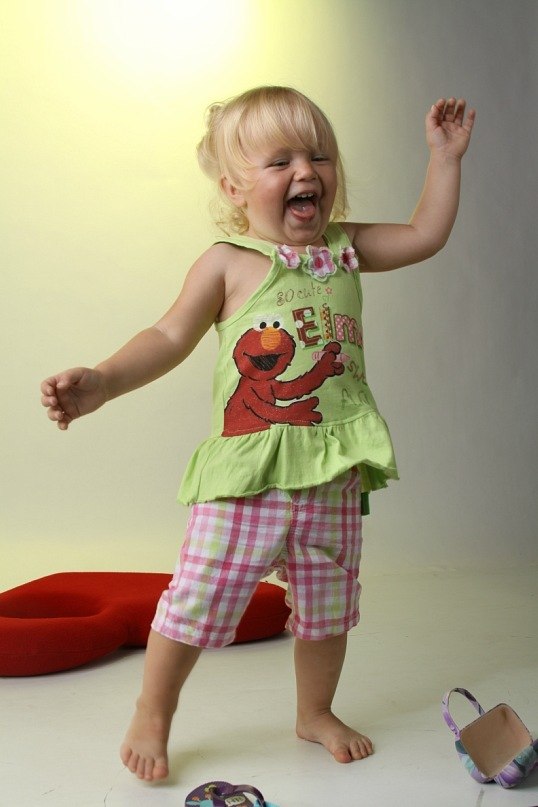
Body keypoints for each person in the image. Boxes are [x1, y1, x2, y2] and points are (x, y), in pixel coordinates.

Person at [40, 86, 475, 781]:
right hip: (250, 472)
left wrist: (444, 159)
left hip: (331, 465)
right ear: (234, 189)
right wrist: (104, 381)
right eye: (280, 162)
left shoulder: (344, 247)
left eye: (320, 156)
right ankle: (153, 710)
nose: (307, 172)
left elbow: (425, 235)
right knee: (197, 596)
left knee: (328, 608)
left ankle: (315, 712)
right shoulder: (228, 260)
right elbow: (168, 336)